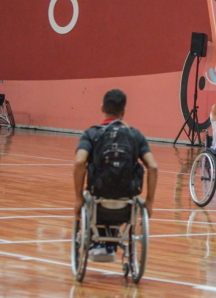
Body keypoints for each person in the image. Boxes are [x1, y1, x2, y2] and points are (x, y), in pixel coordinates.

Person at [73, 89, 159, 262]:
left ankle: (100, 244)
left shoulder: (91, 134)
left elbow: (80, 162)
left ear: (102, 108)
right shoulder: (135, 136)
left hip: (98, 198)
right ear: (123, 111)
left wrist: (77, 198)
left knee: (93, 196)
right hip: (127, 200)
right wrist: (149, 201)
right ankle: (110, 244)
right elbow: (153, 167)